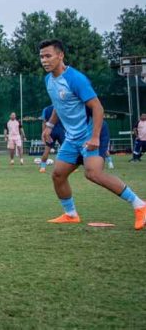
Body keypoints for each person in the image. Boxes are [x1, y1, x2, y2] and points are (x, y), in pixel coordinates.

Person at [39, 39, 146, 230]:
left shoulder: (75, 79)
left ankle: (140, 205)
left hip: (91, 131)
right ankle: (71, 214)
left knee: (93, 173)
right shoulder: (48, 80)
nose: (44, 60)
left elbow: (97, 107)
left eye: (48, 56)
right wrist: (49, 125)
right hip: (72, 137)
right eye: (41, 57)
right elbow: (58, 104)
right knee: (57, 174)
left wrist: (95, 137)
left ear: (60, 55)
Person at [39, 105, 65, 173]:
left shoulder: (46, 109)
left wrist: (43, 133)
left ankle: (42, 168)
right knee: (66, 149)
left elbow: (44, 121)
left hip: (50, 131)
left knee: (47, 149)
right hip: (60, 131)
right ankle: (69, 167)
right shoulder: (61, 107)